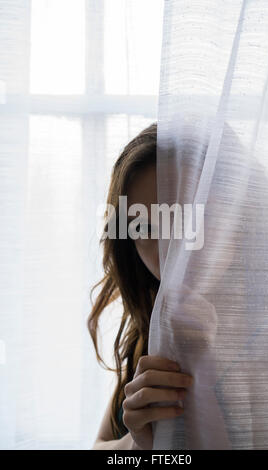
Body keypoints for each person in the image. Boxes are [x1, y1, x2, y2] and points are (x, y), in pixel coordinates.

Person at [87, 122, 194, 450]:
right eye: (143, 227)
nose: (164, 247)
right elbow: (99, 447)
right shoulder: (152, 331)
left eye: (181, 220)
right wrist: (136, 446)